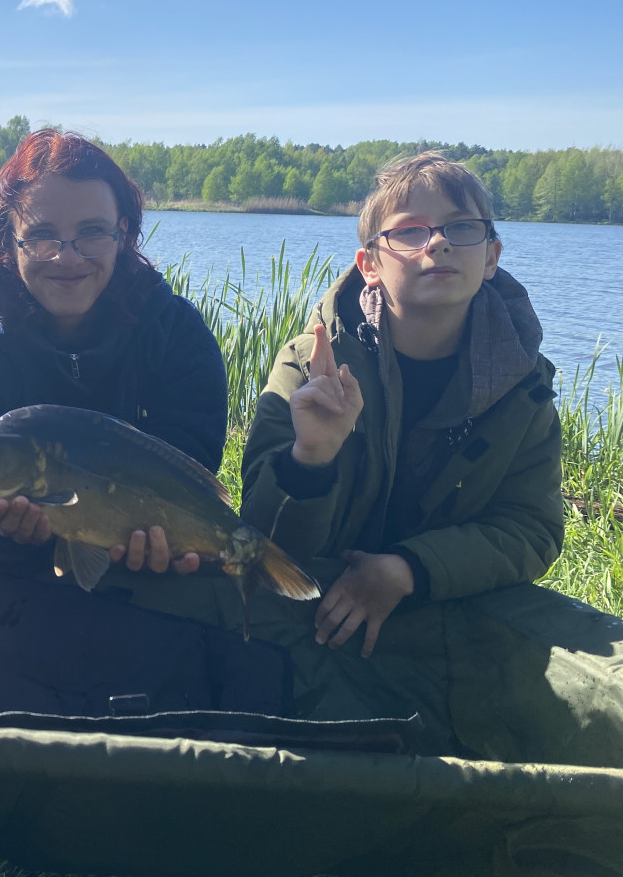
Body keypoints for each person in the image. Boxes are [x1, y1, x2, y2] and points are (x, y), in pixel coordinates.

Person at [240, 151, 563, 657]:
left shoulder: (523, 383)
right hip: (315, 612)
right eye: (410, 231)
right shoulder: (311, 367)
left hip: (440, 606)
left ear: (491, 257)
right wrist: (309, 461)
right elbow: (261, 541)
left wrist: (409, 569)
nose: (438, 242)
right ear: (369, 265)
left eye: (461, 227)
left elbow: (531, 529)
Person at [0, 129, 227, 576]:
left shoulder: (177, 333)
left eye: (92, 233)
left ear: (122, 233)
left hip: (142, 569)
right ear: (7, 239)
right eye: (42, 236)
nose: (67, 259)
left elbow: (190, 473)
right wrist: (4, 527)